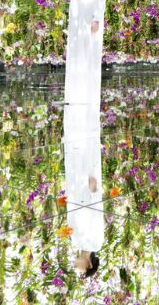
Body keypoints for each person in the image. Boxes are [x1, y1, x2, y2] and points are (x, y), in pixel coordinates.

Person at [64, 0, 107, 106]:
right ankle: (75, 95)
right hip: (76, 17)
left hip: (90, 16)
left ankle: (88, 96)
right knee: (76, 51)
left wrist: (97, 17)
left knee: (89, 50)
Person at [64, 104, 104, 278]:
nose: (75, 268)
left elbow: (72, 216)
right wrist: (94, 191)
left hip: (75, 191)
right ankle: (86, 113)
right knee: (86, 157)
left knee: (74, 158)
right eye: (80, 271)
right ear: (89, 265)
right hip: (88, 192)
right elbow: (96, 216)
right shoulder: (96, 243)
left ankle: (74, 117)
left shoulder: (75, 242)